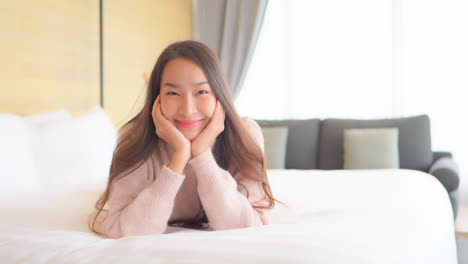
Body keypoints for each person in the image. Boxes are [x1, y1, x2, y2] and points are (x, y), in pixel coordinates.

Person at [88, 40, 281, 239]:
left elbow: (248, 228)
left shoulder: (246, 133)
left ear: (219, 95)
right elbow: (124, 231)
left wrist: (202, 154)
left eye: (202, 92)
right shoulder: (135, 138)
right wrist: (179, 156)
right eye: (173, 93)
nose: (188, 110)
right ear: (157, 97)